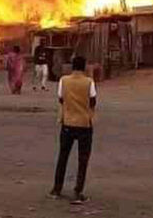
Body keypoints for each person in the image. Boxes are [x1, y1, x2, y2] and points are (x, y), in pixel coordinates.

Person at [49, 56, 97, 204]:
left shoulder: (64, 80)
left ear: (72, 67)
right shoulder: (89, 82)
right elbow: (93, 100)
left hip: (68, 123)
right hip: (84, 124)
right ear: (84, 67)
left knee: (63, 157)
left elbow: (61, 98)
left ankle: (57, 189)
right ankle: (78, 191)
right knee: (83, 159)